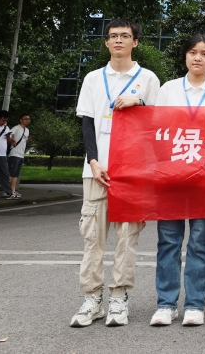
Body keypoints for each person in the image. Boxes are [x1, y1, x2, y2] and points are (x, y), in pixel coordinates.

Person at [70, 19, 161, 329]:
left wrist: (141, 101)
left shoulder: (148, 78)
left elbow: (159, 123)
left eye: (125, 36)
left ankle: (119, 297)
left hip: (133, 172)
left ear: (136, 42)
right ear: (106, 42)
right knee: (92, 237)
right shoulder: (93, 78)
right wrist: (93, 161)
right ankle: (92, 299)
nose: (119, 40)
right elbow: (87, 122)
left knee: (126, 238)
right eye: (113, 36)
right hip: (97, 171)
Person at [152, 33, 205, 327]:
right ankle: (166, 304)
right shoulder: (168, 89)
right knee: (168, 240)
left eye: (204, 53)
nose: (197, 57)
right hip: (171, 177)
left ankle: (195, 304)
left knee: (200, 241)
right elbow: (157, 131)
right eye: (192, 52)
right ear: (185, 56)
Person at [7, 114, 31, 197]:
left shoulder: (27, 130)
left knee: (16, 174)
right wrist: (12, 140)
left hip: (21, 154)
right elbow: (8, 135)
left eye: (28, 119)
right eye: (25, 119)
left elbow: (24, 141)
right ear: (21, 120)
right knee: (11, 173)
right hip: (14, 153)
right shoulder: (16, 128)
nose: (27, 120)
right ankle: (7, 190)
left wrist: (29, 139)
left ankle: (13, 190)